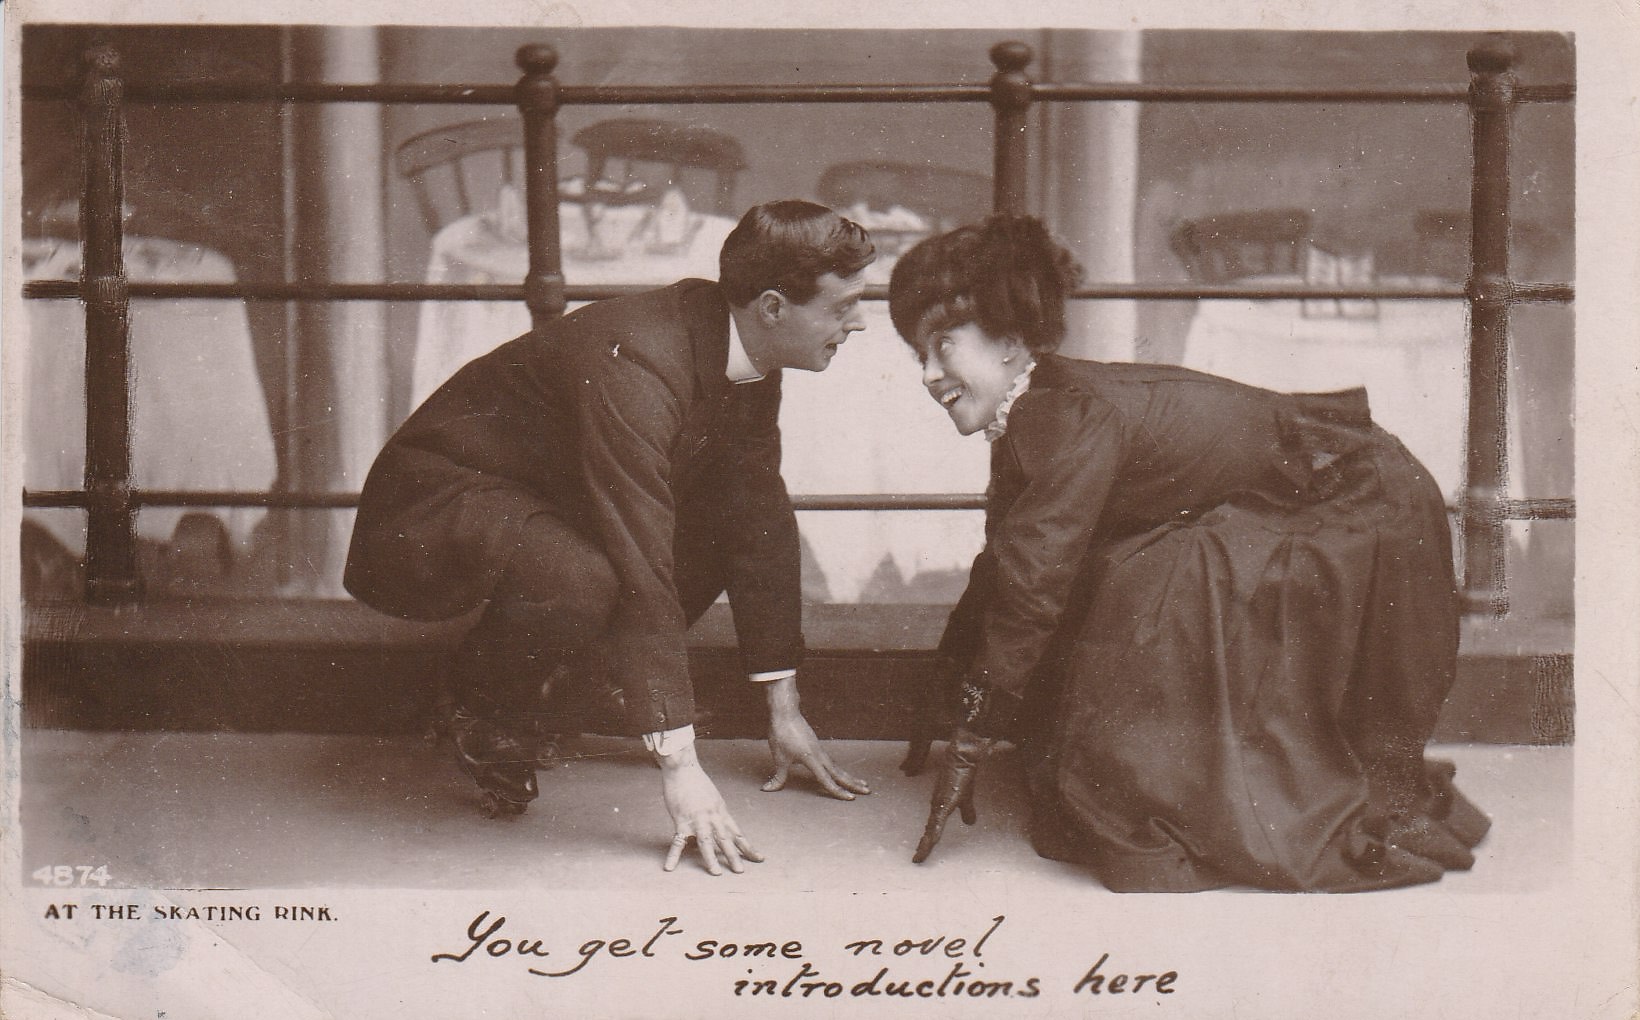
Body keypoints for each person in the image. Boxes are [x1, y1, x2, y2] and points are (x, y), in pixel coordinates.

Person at [888, 214, 1490, 892]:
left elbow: (1032, 586)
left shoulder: (1063, 415)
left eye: (944, 346)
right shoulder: (1036, 412)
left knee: (1152, 584)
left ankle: (1216, 796)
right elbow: (1006, 565)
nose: (929, 375)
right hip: (1317, 492)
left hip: (1360, 501)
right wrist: (950, 692)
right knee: (1134, 572)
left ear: (1008, 340)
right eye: (919, 355)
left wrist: (970, 738)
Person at [345, 200, 875, 875]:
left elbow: (758, 516)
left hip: (548, 499)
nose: (859, 322)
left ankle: (579, 685)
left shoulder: (744, 349)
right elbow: (641, 558)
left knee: (732, 510)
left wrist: (784, 709)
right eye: (842, 307)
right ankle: (485, 710)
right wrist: (680, 769)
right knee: (583, 576)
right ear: (772, 308)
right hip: (438, 499)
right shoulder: (642, 361)